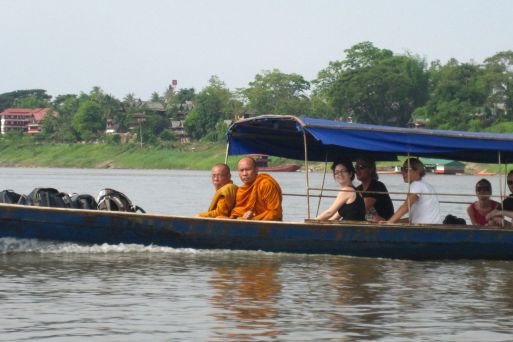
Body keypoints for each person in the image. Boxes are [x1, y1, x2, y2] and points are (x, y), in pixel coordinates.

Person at [386, 158, 442, 224]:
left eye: (406, 169)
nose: (403, 173)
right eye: (402, 169)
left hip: (425, 230)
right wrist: (388, 221)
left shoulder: (416, 184)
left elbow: (406, 206)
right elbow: (412, 219)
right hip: (431, 228)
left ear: (417, 171)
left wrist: (389, 222)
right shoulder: (425, 185)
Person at [355, 156, 394, 221]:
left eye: (361, 167)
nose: (357, 170)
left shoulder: (377, 186)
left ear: (371, 170)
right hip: (369, 225)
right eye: (356, 167)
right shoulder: (358, 189)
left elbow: (361, 209)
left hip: (384, 226)